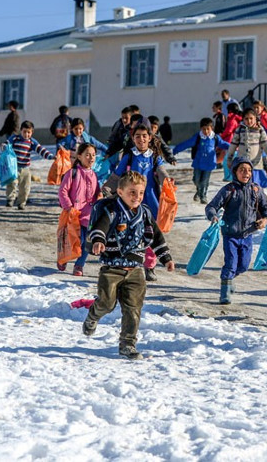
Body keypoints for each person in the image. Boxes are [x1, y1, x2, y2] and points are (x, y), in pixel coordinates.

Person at [82, 171, 175, 360]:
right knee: (106, 304)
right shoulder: (112, 210)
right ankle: (93, 315)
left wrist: (166, 258)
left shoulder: (145, 213)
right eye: (132, 192)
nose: (137, 197)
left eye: (140, 193)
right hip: (111, 269)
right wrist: (99, 240)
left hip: (135, 270)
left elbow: (156, 236)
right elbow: (101, 226)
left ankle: (128, 344)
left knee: (133, 309)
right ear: (121, 192)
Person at [103, 123, 170, 282]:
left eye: (144, 136)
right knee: (130, 231)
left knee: (151, 233)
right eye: (137, 136)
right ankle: (128, 263)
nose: (141, 139)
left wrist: (167, 180)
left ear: (150, 138)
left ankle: (150, 265)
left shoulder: (154, 157)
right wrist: (107, 188)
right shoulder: (129, 156)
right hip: (131, 200)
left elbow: (161, 171)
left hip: (151, 199)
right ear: (133, 138)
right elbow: (117, 175)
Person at [205, 157, 267, 304]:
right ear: (235, 172)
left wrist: (265, 219)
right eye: (242, 170)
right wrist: (213, 216)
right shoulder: (228, 190)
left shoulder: (256, 190)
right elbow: (211, 206)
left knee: (243, 265)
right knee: (231, 263)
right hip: (230, 234)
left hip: (248, 234)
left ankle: (230, 280)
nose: (246, 173)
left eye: (249, 170)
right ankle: (225, 290)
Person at [58, 142, 101, 276]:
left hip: (89, 216)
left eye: (93, 155)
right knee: (74, 240)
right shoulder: (73, 173)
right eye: (87, 155)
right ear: (80, 156)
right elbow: (62, 191)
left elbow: (96, 193)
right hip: (74, 214)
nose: (91, 158)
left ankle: (79, 265)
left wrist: (100, 197)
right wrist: (68, 207)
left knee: (87, 242)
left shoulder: (94, 174)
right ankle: (63, 257)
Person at [173, 117, 230, 203]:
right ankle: (199, 191)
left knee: (204, 181)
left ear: (212, 128)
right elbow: (187, 143)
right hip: (198, 163)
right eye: (204, 129)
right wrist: (176, 150)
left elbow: (223, 144)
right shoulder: (198, 137)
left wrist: (233, 146)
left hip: (209, 163)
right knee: (196, 180)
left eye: (208, 129)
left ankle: (203, 196)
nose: (206, 131)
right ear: (200, 129)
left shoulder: (215, 138)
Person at [4, 121, 54, 209]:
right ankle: (10, 199)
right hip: (14, 167)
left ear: (32, 132)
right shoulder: (15, 138)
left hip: (25, 169)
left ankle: (21, 203)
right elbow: (7, 144)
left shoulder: (32, 142)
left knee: (25, 187)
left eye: (29, 132)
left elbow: (40, 150)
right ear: (20, 131)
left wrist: (50, 156)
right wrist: (4, 146)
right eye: (24, 132)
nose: (26, 134)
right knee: (12, 183)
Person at [224, 108, 267, 182]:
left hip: (256, 165)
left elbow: (266, 144)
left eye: (251, 118)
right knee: (243, 186)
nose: (249, 121)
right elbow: (233, 145)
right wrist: (229, 159)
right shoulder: (240, 130)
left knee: (255, 187)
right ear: (243, 119)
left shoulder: (260, 130)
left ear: (255, 118)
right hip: (242, 165)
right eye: (246, 119)